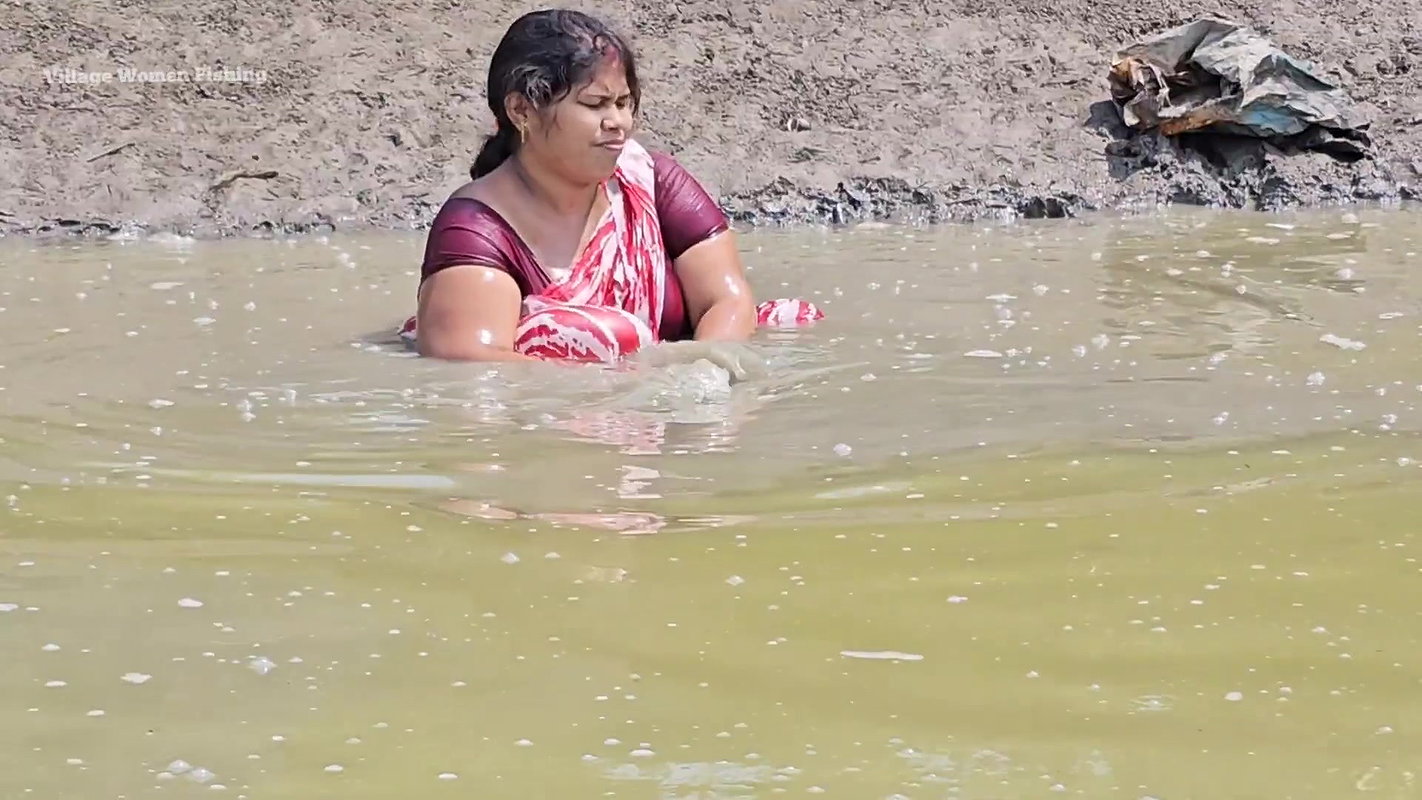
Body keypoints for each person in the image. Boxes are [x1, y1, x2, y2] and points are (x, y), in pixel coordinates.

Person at [400, 8, 820, 369]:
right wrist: (631, 385)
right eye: (594, 105)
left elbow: (726, 300)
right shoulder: (478, 229)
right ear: (521, 110)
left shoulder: (652, 181)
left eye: (622, 103)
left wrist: (703, 369)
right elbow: (469, 363)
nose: (618, 122)